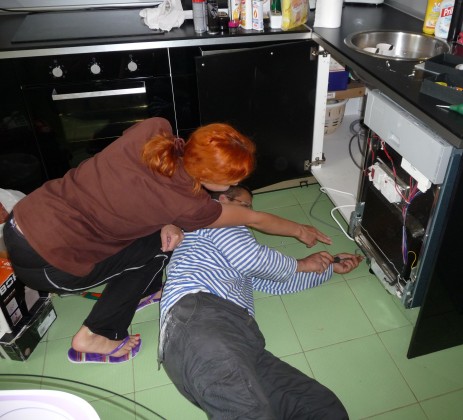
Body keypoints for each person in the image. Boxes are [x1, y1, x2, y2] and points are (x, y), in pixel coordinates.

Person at [2, 117, 331, 364]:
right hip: (48, 265)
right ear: (210, 179)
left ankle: (144, 290)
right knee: (160, 250)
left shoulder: (155, 129)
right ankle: (95, 335)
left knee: (158, 233)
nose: (236, 186)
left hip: (24, 218)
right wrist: (299, 230)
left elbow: (139, 188)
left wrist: (167, 219)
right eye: (233, 180)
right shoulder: (192, 206)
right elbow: (254, 219)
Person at [159, 185, 362, 419]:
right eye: (245, 206)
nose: (248, 214)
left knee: (321, 407)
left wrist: (329, 267)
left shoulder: (230, 261)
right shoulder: (212, 215)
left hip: (239, 342)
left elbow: (274, 282)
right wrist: (302, 263)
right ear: (223, 199)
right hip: (203, 322)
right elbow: (252, 259)